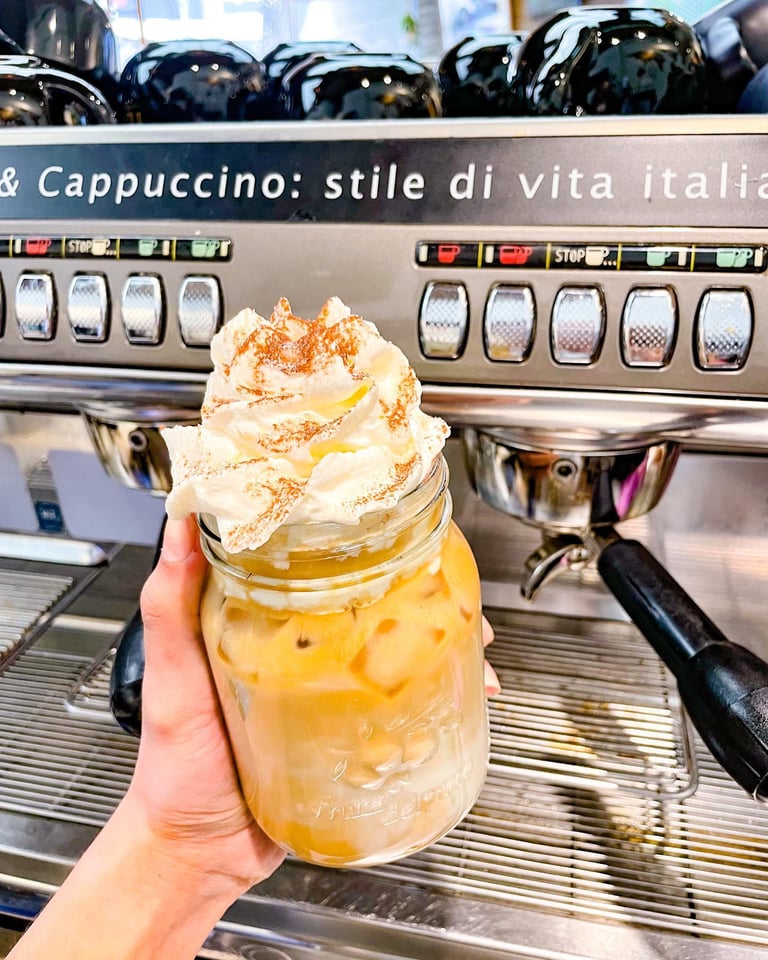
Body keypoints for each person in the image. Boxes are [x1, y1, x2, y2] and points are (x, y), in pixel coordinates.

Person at [8, 516, 500, 959]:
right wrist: (181, 849)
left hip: (416, 542)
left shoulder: (442, 557)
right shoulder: (236, 600)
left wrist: (179, 856)